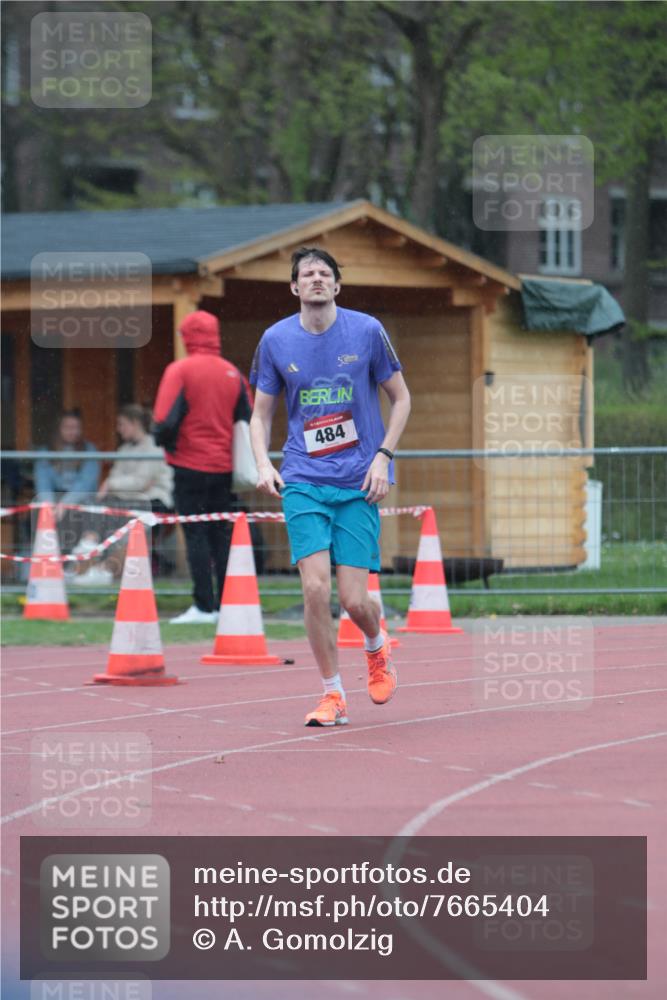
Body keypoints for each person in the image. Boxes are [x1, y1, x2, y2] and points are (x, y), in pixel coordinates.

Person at [249, 246, 411, 727]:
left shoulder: (366, 331)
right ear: (295, 287)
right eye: (307, 274)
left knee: (355, 600)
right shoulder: (275, 340)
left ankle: (376, 645)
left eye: (324, 273)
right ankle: (332, 694)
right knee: (316, 590)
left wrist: (383, 457)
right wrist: (263, 462)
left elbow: (401, 400)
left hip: (359, 479)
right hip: (302, 478)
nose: (316, 279)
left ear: (337, 285)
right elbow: (259, 414)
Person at [152, 309, 252, 624]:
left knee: (195, 534)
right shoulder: (233, 373)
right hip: (224, 469)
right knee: (220, 535)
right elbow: (247, 420)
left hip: (188, 466)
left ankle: (203, 606)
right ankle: (226, 603)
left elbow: (163, 421)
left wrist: (167, 444)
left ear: (188, 337)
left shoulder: (179, 370)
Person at [73, 404, 174, 585]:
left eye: (122, 424)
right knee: (95, 505)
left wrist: (113, 484)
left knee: (128, 521)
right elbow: (126, 480)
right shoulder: (124, 450)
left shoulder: (154, 447)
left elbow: (139, 482)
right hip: (129, 500)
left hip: (154, 501)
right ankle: (87, 550)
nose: (119, 429)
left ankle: (105, 569)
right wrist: (119, 485)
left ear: (135, 424)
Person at [33, 409, 100, 553]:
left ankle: (80, 559)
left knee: (83, 512)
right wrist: (50, 505)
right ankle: (49, 558)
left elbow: (86, 483)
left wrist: (66, 503)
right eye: (68, 427)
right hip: (55, 499)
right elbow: (43, 482)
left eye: (76, 427)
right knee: (42, 513)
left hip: (81, 499)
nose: (72, 432)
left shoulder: (89, 450)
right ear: (59, 429)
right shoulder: (46, 451)